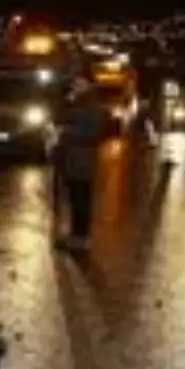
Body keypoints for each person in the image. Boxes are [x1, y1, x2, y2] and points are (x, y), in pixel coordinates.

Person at [54, 77, 103, 251]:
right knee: (74, 199)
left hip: (82, 161)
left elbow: (91, 133)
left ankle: (81, 237)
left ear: (87, 86)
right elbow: (61, 118)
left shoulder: (92, 107)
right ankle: (75, 234)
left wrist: (64, 133)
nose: (74, 86)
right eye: (74, 84)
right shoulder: (75, 103)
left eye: (79, 84)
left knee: (81, 199)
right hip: (71, 160)